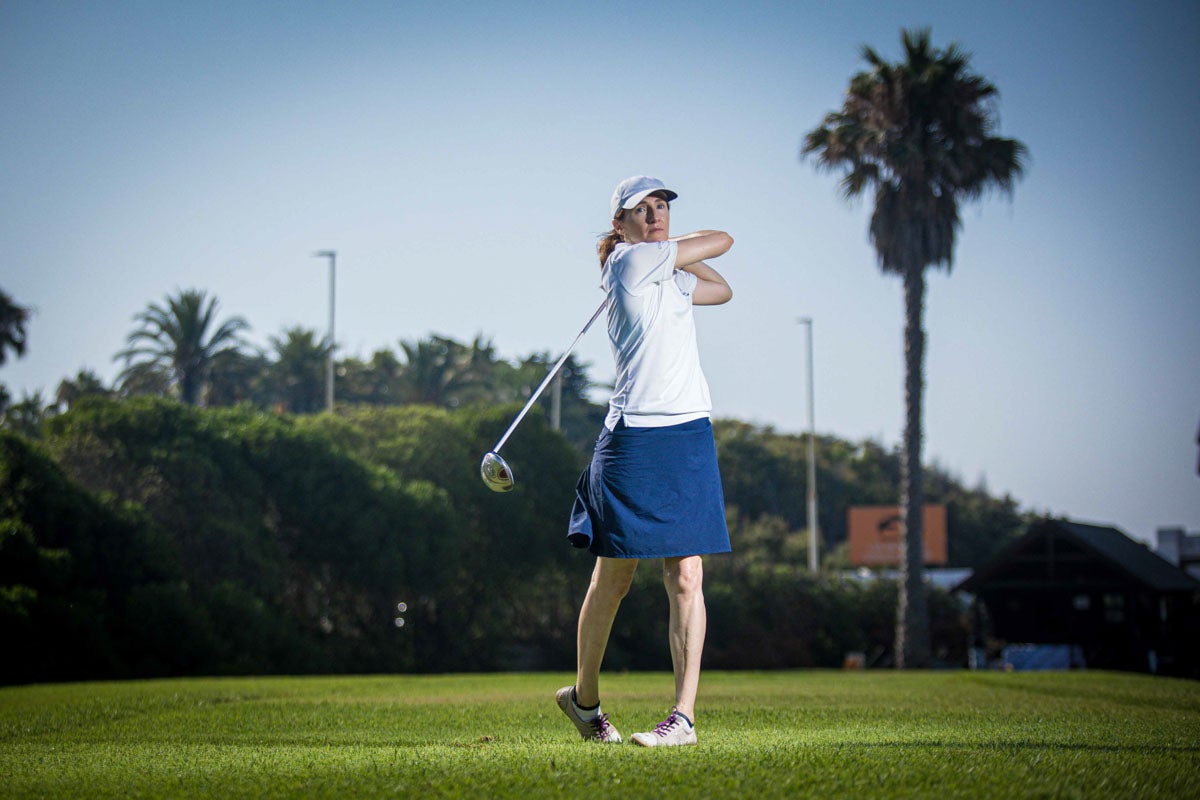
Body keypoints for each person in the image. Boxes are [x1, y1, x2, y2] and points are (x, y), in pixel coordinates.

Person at [556, 175, 734, 747]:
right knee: (615, 577)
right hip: (635, 439)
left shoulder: (663, 273)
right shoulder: (631, 266)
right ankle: (584, 703)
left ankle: (682, 718)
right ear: (621, 225)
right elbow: (723, 240)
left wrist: (676, 260)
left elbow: (721, 289)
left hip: (687, 435)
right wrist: (673, 252)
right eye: (644, 209)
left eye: (663, 207)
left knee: (687, 574)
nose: (657, 215)